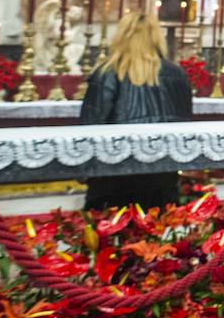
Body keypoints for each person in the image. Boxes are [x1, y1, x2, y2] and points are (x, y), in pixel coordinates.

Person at [80, 11, 194, 211]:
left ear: (121, 36)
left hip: (112, 174)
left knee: (112, 235)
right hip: (161, 173)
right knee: (157, 235)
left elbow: (91, 125)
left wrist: (83, 171)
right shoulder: (177, 74)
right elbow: (184, 124)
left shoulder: (107, 73)